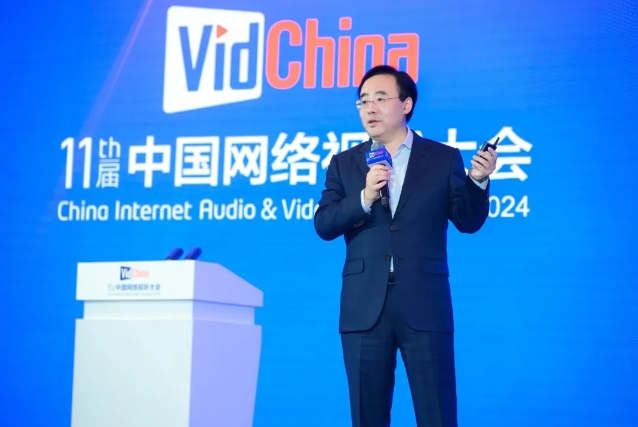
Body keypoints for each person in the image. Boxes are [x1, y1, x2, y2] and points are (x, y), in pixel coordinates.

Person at [313, 65, 497, 427]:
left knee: (437, 415)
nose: (370, 108)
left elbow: (467, 221)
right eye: (364, 101)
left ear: (407, 104)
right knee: (367, 417)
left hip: (424, 304)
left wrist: (476, 181)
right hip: (364, 307)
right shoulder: (345, 163)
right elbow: (324, 224)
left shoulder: (442, 158)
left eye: (381, 98)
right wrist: (365, 197)